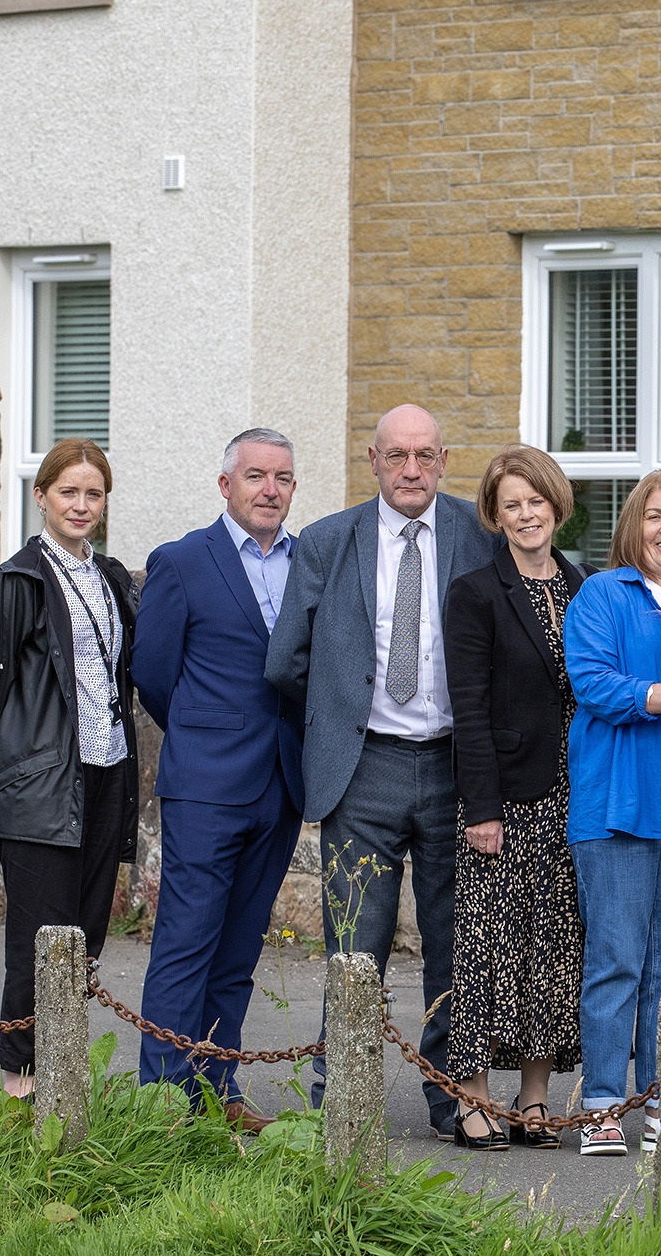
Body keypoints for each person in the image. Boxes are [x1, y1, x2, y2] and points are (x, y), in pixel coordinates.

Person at [265, 403, 499, 1138]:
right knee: (352, 947)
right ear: (372, 460)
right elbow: (286, 662)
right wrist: (338, 716)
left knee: (455, 945)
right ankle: (345, 1100)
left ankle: (450, 1100)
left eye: (425, 456)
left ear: (444, 460)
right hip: (362, 769)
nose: (411, 470)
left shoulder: (480, 536)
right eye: (396, 456)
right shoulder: (330, 542)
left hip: (456, 771)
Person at [131, 428, 306, 1132]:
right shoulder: (181, 562)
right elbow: (153, 677)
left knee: (238, 950)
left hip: (280, 783)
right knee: (185, 942)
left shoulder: (308, 560)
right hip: (206, 784)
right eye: (257, 475)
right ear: (226, 485)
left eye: (284, 478)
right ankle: (164, 1106)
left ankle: (218, 1091)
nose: (271, 489)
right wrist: (210, 734)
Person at [0, 438, 139, 1099]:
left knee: (85, 936)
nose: (81, 505)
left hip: (107, 775)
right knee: (39, 939)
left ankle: (62, 1083)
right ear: (42, 497)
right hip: (40, 786)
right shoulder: (18, 582)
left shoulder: (113, 579)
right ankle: (19, 1089)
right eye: (69, 492)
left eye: (94, 493)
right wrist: (12, 765)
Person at [562, 470, 661, 1157]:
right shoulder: (605, 593)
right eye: (654, 515)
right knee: (616, 958)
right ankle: (603, 1103)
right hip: (622, 800)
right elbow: (594, 682)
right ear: (634, 525)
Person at [442, 447, 587, 1151]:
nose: (526, 516)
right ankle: (473, 1100)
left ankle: (534, 1101)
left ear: (556, 505)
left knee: (553, 950)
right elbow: (467, 709)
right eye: (512, 505)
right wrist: (482, 809)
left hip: (572, 797)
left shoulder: (584, 584)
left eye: (536, 502)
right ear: (495, 518)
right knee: (486, 949)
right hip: (505, 803)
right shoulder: (474, 592)